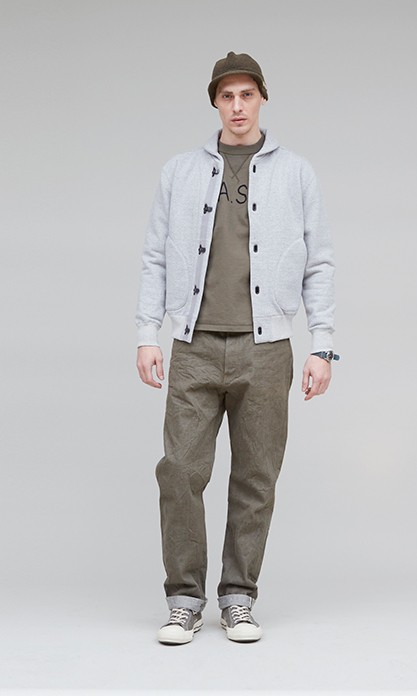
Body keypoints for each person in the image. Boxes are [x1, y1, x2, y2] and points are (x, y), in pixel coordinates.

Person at [135, 51, 340, 645]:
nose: (237, 106)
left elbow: (319, 262)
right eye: (227, 96)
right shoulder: (179, 171)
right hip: (194, 345)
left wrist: (323, 345)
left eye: (247, 94)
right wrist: (148, 333)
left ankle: (238, 598)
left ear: (262, 99)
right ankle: (183, 599)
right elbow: (154, 256)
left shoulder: (296, 173)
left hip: (267, 349)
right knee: (180, 471)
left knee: (257, 477)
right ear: (215, 103)